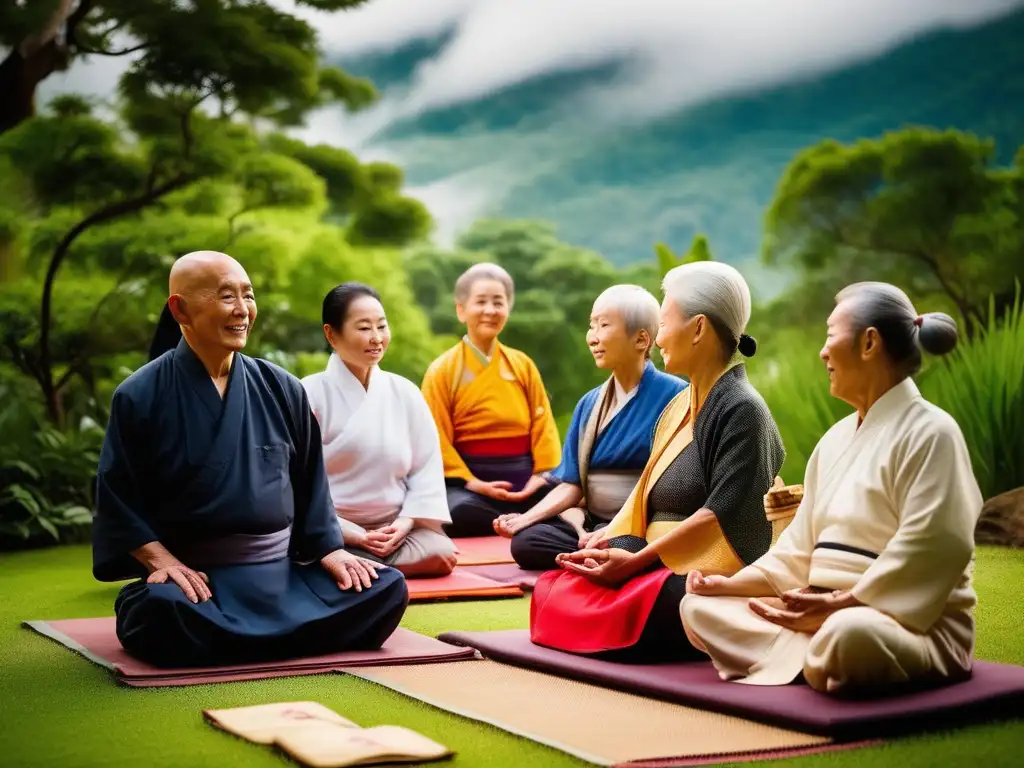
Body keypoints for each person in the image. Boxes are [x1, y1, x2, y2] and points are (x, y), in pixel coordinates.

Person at [92, 251, 409, 668]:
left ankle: (235, 643)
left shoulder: (282, 388)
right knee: (158, 609)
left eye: (248, 295)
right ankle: (285, 638)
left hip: (280, 575)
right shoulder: (140, 395)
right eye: (227, 297)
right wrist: (162, 561)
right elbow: (117, 499)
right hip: (199, 583)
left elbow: (311, 484)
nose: (243, 310)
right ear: (180, 309)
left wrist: (329, 548)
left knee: (386, 588)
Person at [681, 282, 981, 696]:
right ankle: (816, 654)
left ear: (869, 342)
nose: (823, 352)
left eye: (830, 336)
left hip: (900, 620)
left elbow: (934, 546)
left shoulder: (932, 432)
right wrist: (730, 584)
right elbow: (798, 547)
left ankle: (818, 648)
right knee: (699, 607)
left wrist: (845, 602)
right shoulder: (835, 439)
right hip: (816, 606)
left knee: (848, 635)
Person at [529, 261, 785, 662]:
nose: (659, 338)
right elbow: (644, 491)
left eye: (664, 324)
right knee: (560, 584)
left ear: (698, 328)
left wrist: (636, 562)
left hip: (715, 567)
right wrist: (605, 540)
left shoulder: (742, 409)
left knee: (659, 603)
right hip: (659, 552)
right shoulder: (680, 405)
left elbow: (721, 515)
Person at [495, 285, 687, 571]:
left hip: (643, 524)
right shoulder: (590, 403)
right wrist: (525, 518)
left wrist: (619, 527)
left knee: (630, 543)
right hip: (592, 521)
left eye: (604, 325)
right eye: (591, 325)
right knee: (527, 542)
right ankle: (594, 553)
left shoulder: (677, 397)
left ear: (641, 339)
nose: (593, 337)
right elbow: (572, 484)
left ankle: (605, 553)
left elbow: (674, 488)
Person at [301, 283, 458, 578]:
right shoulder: (308, 393)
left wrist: (406, 522)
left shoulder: (405, 391)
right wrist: (352, 533)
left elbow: (425, 469)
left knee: (441, 552)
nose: (376, 338)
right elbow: (295, 481)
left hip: (395, 527)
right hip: (332, 527)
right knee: (311, 549)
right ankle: (348, 559)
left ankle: (360, 567)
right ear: (331, 334)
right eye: (363, 328)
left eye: (381, 326)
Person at [420, 262, 562, 538]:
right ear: (461, 309)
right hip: (470, 488)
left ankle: (523, 517)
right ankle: (524, 522)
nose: (490, 310)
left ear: (508, 308)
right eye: (481, 302)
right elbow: (433, 436)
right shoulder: (443, 369)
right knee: (457, 512)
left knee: (566, 498)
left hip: (525, 486)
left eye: (498, 302)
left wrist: (539, 476)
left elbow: (543, 426)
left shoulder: (522, 364)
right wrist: (473, 483)